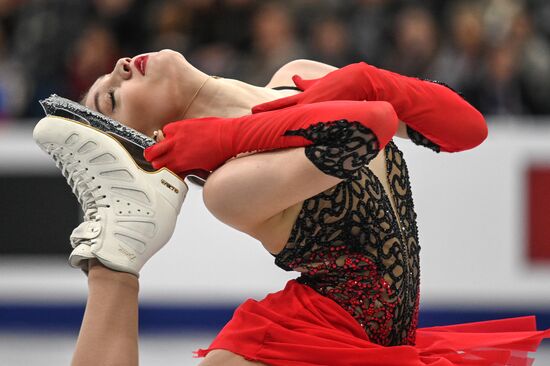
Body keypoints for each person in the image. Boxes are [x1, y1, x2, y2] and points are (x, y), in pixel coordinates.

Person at [39, 49, 548, 366]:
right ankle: (112, 268)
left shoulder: (299, 74)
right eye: (113, 97)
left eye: (112, 73)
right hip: (308, 341)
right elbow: (363, 128)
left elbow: (467, 129)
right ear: (147, 136)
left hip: (377, 343)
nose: (120, 69)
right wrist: (364, 81)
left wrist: (369, 82)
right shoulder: (229, 186)